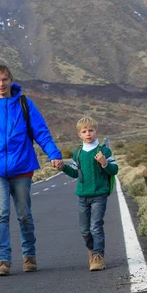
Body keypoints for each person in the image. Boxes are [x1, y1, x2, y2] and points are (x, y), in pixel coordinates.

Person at [0, 65, 62, 276]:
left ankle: (29, 256)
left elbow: (41, 132)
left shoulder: (25, 105)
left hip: (22, 168)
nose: (1, 84)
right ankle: (4, 260)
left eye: (5, 80)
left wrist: (53, 154)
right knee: (0, 215)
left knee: (24, 215)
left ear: (11, 81)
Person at [55, 116, 118, 271]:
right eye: (84, 131)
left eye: (91, 130)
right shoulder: (78, 153)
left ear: (96, 131)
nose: (88, 134)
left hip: (99, 195)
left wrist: (104, 162)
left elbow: (114, 170)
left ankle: (98, 256)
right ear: (79, 134)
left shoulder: (104, 151)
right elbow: (76, 173)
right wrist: (63, 167)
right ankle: (92, 250)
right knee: (84, 230)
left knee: (96, 226)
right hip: (83, 196)